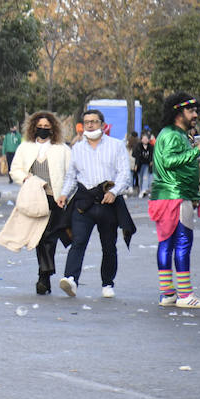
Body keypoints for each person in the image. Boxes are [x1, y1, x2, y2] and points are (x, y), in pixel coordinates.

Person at [56, 108, 135, 298]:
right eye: (87, 122)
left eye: (94, 121)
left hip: (108, 201)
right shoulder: (77, 148)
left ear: (103, 124)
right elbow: (71, 176)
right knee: (78, 241)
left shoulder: (116, 146)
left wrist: (114, 192)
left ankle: (108, 283)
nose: (90, 125)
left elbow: (124, 173)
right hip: (84, 202)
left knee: (108, 245)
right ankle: (71, 279)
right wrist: (64, 194)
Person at [149, 94, 200, 309]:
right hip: (174, 197)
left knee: (167, 243)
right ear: (178, 112)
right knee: (182, 242)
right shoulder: (172, 134)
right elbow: (168, 162)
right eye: (191, 111)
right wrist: (197, 150)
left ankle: (167, 293)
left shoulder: (176, 134)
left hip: (170, 196)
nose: (195, 115)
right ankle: (185, 294)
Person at [8, 112, 70, 295]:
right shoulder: (25, 148)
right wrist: (26, 178)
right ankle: (45, 274)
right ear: (34, 127)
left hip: (55, 198)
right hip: (34, 197)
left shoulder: (62, 149)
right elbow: (15, 170)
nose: (43, 129)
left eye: (47, 126)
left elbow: (70, 173)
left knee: (49, 237)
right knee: (40, 238)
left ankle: (44, 276)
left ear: (53, 128)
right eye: (40, 126)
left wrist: (65, 195)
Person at [134, 130, 155, 196]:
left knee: (146, 177)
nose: (145, 140)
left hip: (147, 164)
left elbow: (152, 154)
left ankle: (145, 189)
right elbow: (136, 155)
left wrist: (151, 161)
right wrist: (136, 165)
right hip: (140, 164)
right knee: (140, 177)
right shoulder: (138, 146)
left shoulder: (151, 147)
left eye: (146, 139)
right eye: (144, 138)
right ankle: (141, 190)